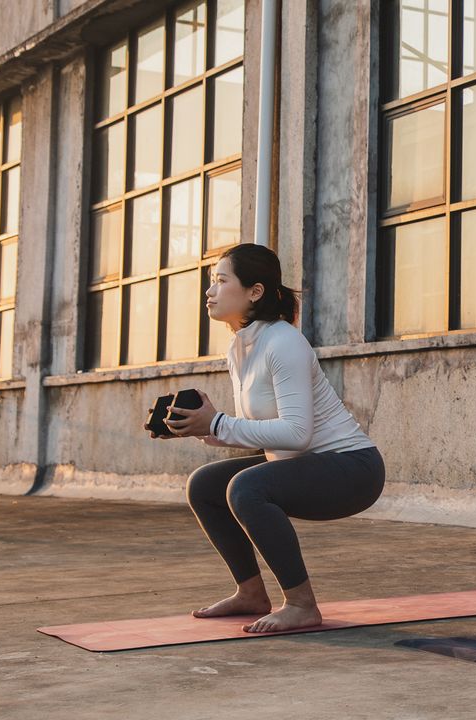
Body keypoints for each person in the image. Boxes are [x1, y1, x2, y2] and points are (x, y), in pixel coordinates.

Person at [154, 243, 384, 633]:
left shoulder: (284, 342)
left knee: (245, 487)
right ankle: (250, 593)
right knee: (206, 484)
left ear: (254, 291)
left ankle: (301, 604)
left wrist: (219, 424)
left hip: (353, 469)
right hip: (302, 463)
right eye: (212, 281)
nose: (210, 291)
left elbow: (297, 433)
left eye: (221, 281)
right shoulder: (240, 347)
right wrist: (204, 427)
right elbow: (262, 431)